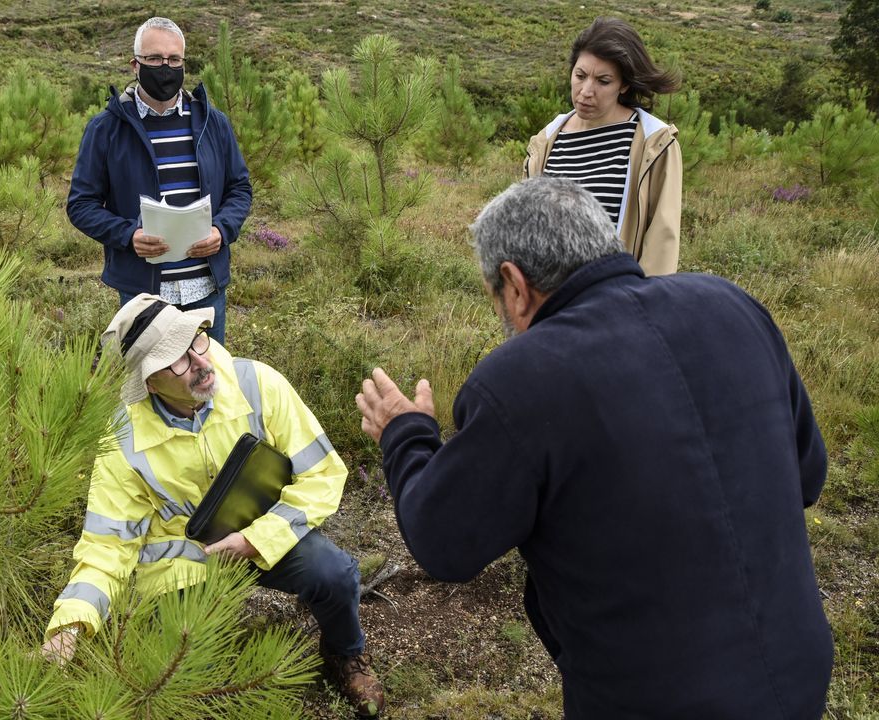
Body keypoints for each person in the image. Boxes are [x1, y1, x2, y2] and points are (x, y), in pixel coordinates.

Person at [355, 177, 832, 718]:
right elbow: (807, 478)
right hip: (797, 672)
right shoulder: (732, 305)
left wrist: (405, 432)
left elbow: (444, 541)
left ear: (514, 284)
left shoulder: (521, 379)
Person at [41, 294, 385, 717]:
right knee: (172, 668)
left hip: (267, 534)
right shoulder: (121, 441)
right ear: (149, 384)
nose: (201, 363)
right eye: (177, 361)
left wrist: (255, 539)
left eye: (196, 341)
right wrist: (69, 627)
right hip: (183, 562)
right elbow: (107, 546)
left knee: (333, 574)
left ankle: (344, 653)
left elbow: (323, 473)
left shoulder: (257, 384)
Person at [67, 16, 252, 343]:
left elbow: (239, 189)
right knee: (148, 388)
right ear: (135, 64)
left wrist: (221, 231)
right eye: (154, 58)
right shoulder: (106, 128)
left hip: (205, 291)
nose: (165, 67)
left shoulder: (214, 123)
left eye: (174, 59)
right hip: (143, 296)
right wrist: (128, 235)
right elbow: (81, 205)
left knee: (207, 386)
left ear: (183, 62)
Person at [524, 17, 682, 276]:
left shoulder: (655, 143)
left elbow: (662, 241)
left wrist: (641, 305)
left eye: (603, 81)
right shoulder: (546, 140)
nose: (586, 90)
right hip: (551, 302)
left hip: (614, 302)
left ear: (625, 84)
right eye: (580, 75)